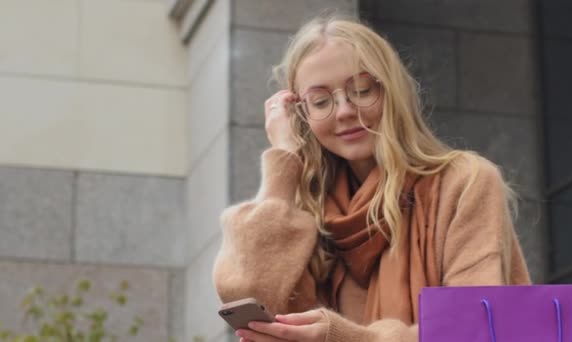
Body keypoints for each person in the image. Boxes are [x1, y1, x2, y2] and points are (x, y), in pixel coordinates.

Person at [213, 14, 531, 342]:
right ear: (302, 116)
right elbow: (248, 295)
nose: (344, 110)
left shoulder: (464, 182)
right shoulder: (304, 211)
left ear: (391, 91)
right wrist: (285, 161)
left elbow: (473, 326)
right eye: (320, 101)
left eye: (362, 90)